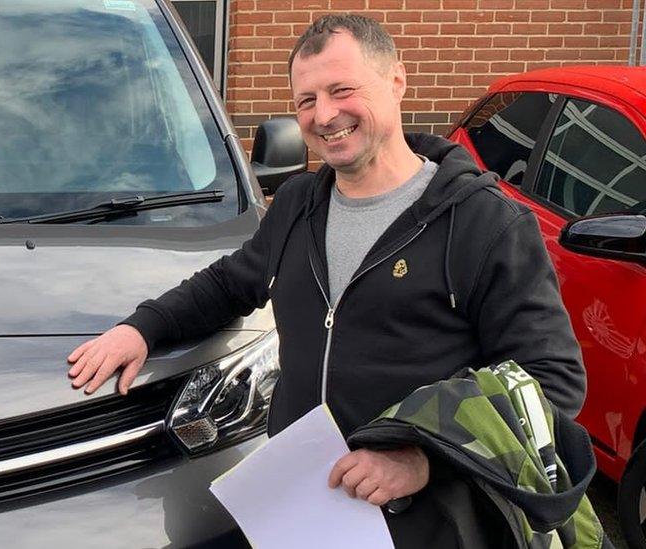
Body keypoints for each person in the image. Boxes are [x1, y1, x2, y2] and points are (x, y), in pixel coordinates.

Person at [66, 14, 586, 548]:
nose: (325, 115)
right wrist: (142, 329)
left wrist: (420, 459)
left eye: (342, 90)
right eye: (306, 100)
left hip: (427, 524)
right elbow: (229, 283)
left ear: (396, 81)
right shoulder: (298, 204)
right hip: (306, 510)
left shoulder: (483, 222)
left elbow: (552, 380)